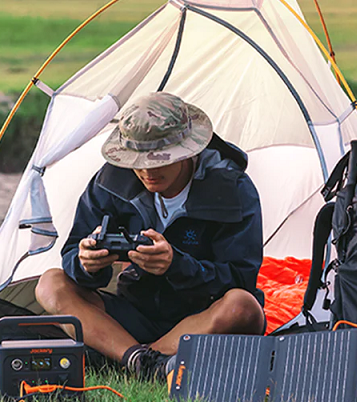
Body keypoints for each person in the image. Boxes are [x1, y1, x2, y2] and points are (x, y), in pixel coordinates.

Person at [35, 92, 266, 382]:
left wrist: (177, 266)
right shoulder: (110, 182)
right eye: (137, 160)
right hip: (135, 311)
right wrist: (86, 264)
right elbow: (72, 253)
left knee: (243, 307)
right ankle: (144, 361)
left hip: (201, 317)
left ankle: (134, 359)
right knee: (51, 284)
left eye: (159, 160)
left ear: (188, 151)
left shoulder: (232, 188)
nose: (146, 170)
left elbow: (241, 279)